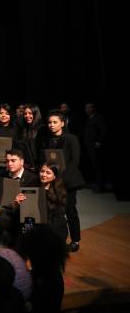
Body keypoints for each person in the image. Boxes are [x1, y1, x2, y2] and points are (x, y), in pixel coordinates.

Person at [41, 109, 84, 252]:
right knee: (54, 211)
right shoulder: (48, 139)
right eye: (49, 122)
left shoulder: (71, 138)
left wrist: (61, 178)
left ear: (62, 123)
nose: (51, 125)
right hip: (53, 180)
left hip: (68, 180)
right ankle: (55, 239)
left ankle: (75, 240)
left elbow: (74, 161)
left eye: (55, 122)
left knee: (70, 210)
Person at [83, 102, 107, 192]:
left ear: (93, 108)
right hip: (89, 145)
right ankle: (96, 183)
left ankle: (100, 186)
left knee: (97, 165)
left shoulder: (98, 117)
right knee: (93, 165)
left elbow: (103, 130)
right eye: (86, 108)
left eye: (89, 108)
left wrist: (98, 142)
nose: (87, 110)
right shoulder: (89, 118)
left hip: (94, 145)